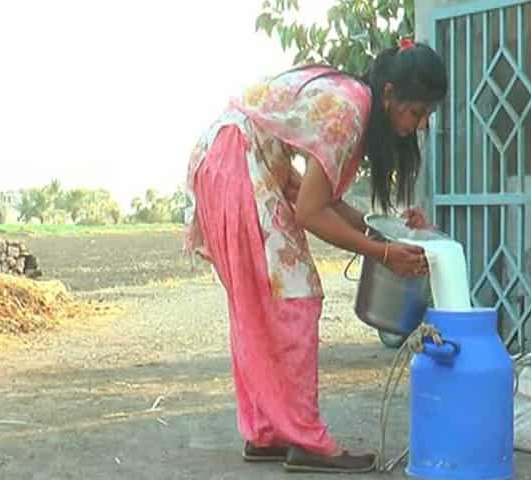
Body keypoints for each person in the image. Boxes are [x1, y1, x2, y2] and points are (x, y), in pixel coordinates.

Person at [182, 39, 448, 474]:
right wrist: (384, 253)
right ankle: (305, 440)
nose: (418, 126)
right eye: (416, 113)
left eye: (426, 117)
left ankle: (267, 432)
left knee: (261, 304)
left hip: (236, 160)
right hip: (239, 163)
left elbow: (327, 202)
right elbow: (311, 213)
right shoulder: (347, 113)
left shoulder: (355, 103)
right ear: (389, 97)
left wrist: (384, 233)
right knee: (294, 298)